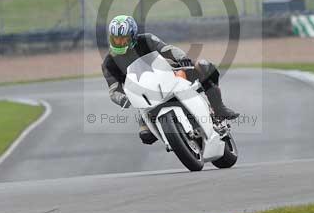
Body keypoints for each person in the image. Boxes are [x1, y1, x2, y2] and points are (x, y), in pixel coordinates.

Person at [101, 15, 239, 145]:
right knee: (146, 136)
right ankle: (173, 137)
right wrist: (122, 99)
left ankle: (218, 107)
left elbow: (168, 49)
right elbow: (113, 90)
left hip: (170, 75)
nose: (119, 43)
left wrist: (182, 58)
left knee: (204, 66)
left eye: (123, 39)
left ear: (133, 36)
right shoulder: (109, 63)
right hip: (145, 98)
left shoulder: (146, 40)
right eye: (116, 39)